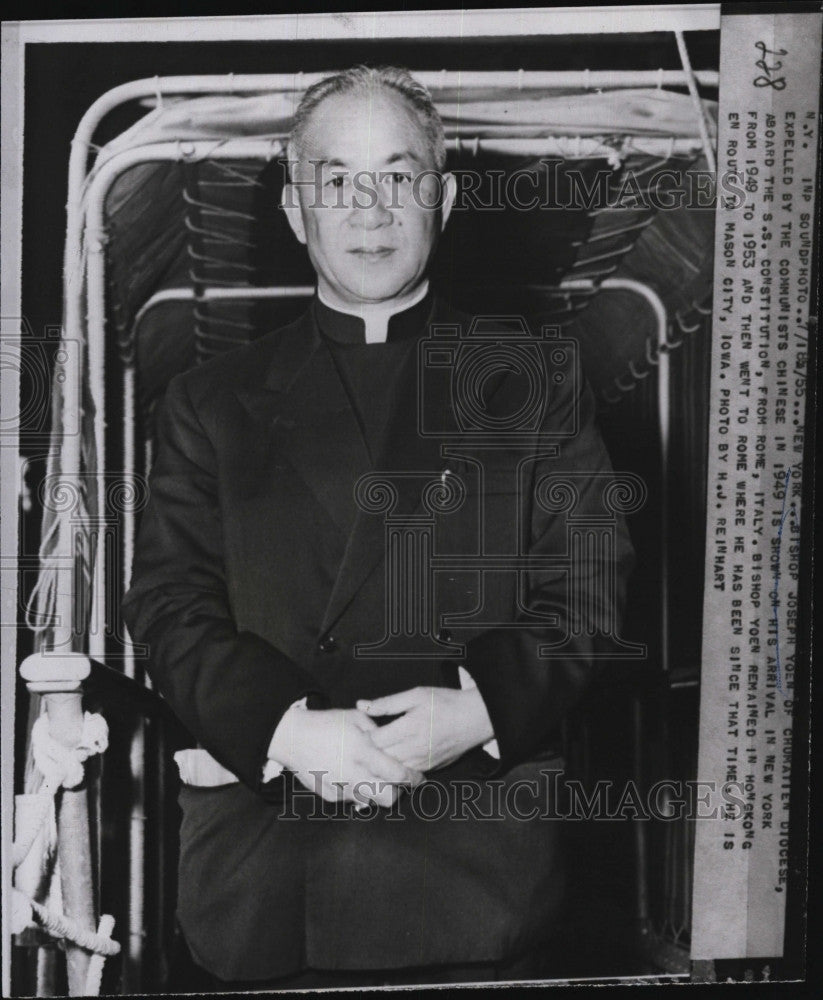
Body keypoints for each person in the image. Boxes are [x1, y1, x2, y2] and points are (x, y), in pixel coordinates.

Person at [122, 65, 635, 989]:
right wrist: (288, 728)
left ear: (441, 199)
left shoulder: (534, 383)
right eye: (338, 181)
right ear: (294, 208)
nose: (369, 210)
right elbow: (168, 605)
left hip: (477, 872)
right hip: (270, 869)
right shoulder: (209, 404)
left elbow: (589, 597)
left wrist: (476, 709)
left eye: (398, 178)